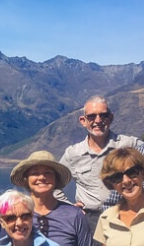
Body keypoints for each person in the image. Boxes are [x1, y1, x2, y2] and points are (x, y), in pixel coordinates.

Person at [59, 95, 144, 233]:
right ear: (83, 120)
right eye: (92, 116)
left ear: (111, 117)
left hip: (125, 214)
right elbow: (52, 182)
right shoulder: (73, 154)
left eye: (103, 115)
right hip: (89, 221)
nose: (98, 121)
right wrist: (67, 206)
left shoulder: (129, 144)